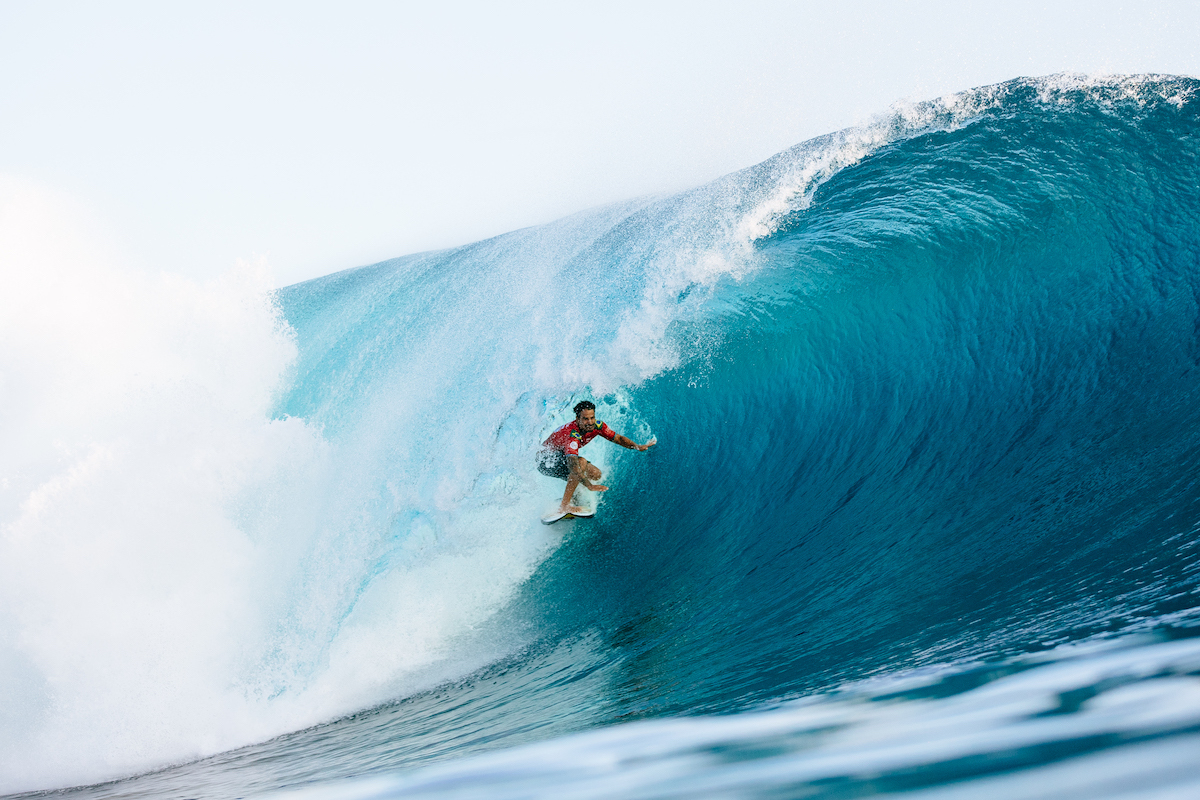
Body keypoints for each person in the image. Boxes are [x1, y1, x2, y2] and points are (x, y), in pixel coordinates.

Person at [537, 400, 656, 514]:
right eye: (585, 419)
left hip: (561, 457)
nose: (590, 422)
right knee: (581, 463)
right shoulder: (572, 435)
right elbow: (573, 465)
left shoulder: (598, 426)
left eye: (592, 418)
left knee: (595, 474)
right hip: (546, 461)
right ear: (577, 419)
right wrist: (589, 486)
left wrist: (637, 447)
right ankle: (564, 506)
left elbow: (618, 438)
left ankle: (574, 495)